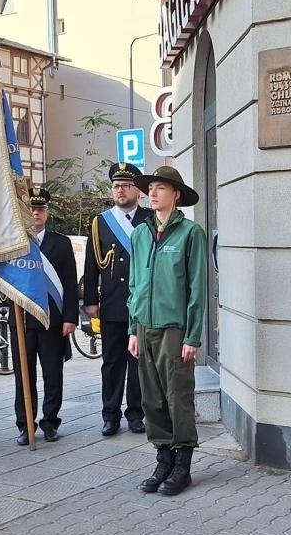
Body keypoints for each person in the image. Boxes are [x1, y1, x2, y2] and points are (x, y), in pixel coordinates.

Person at [128, 166, 208, 496]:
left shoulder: (190, 233)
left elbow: (197, 287)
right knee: (152, 399)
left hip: (174, 329)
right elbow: (135, 283)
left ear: (176, 194)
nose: (154, 193)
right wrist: (134, 328)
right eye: (151, 188)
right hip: (144, 327)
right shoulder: (141, 233)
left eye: (162, 187)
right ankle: (163, 458)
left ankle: (182, 465)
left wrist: (192, 336)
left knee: (178, 398)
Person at [83, 162, 152, 436]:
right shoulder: (101, 222)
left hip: (142, 304)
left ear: (137, 190)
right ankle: (110, 414)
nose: (120, 191)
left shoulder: (149, 218)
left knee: (138, 363)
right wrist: (90, 300)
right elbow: (90, 264)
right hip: (111, 303)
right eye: (116, 186)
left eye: (125, 186)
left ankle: (136, 413)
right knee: (112, 362)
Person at [12, 187, 79, 445]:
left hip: (52, 320)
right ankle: (25, 423)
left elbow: (70, 284)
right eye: (31, 209)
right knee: (23, 376)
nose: (36, 214)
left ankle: (50, 422)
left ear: (47, 213)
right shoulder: (15, 242)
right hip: (23, 321)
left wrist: (70, 318)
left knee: (53, 374)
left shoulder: (60, 243)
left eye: (40, 209)